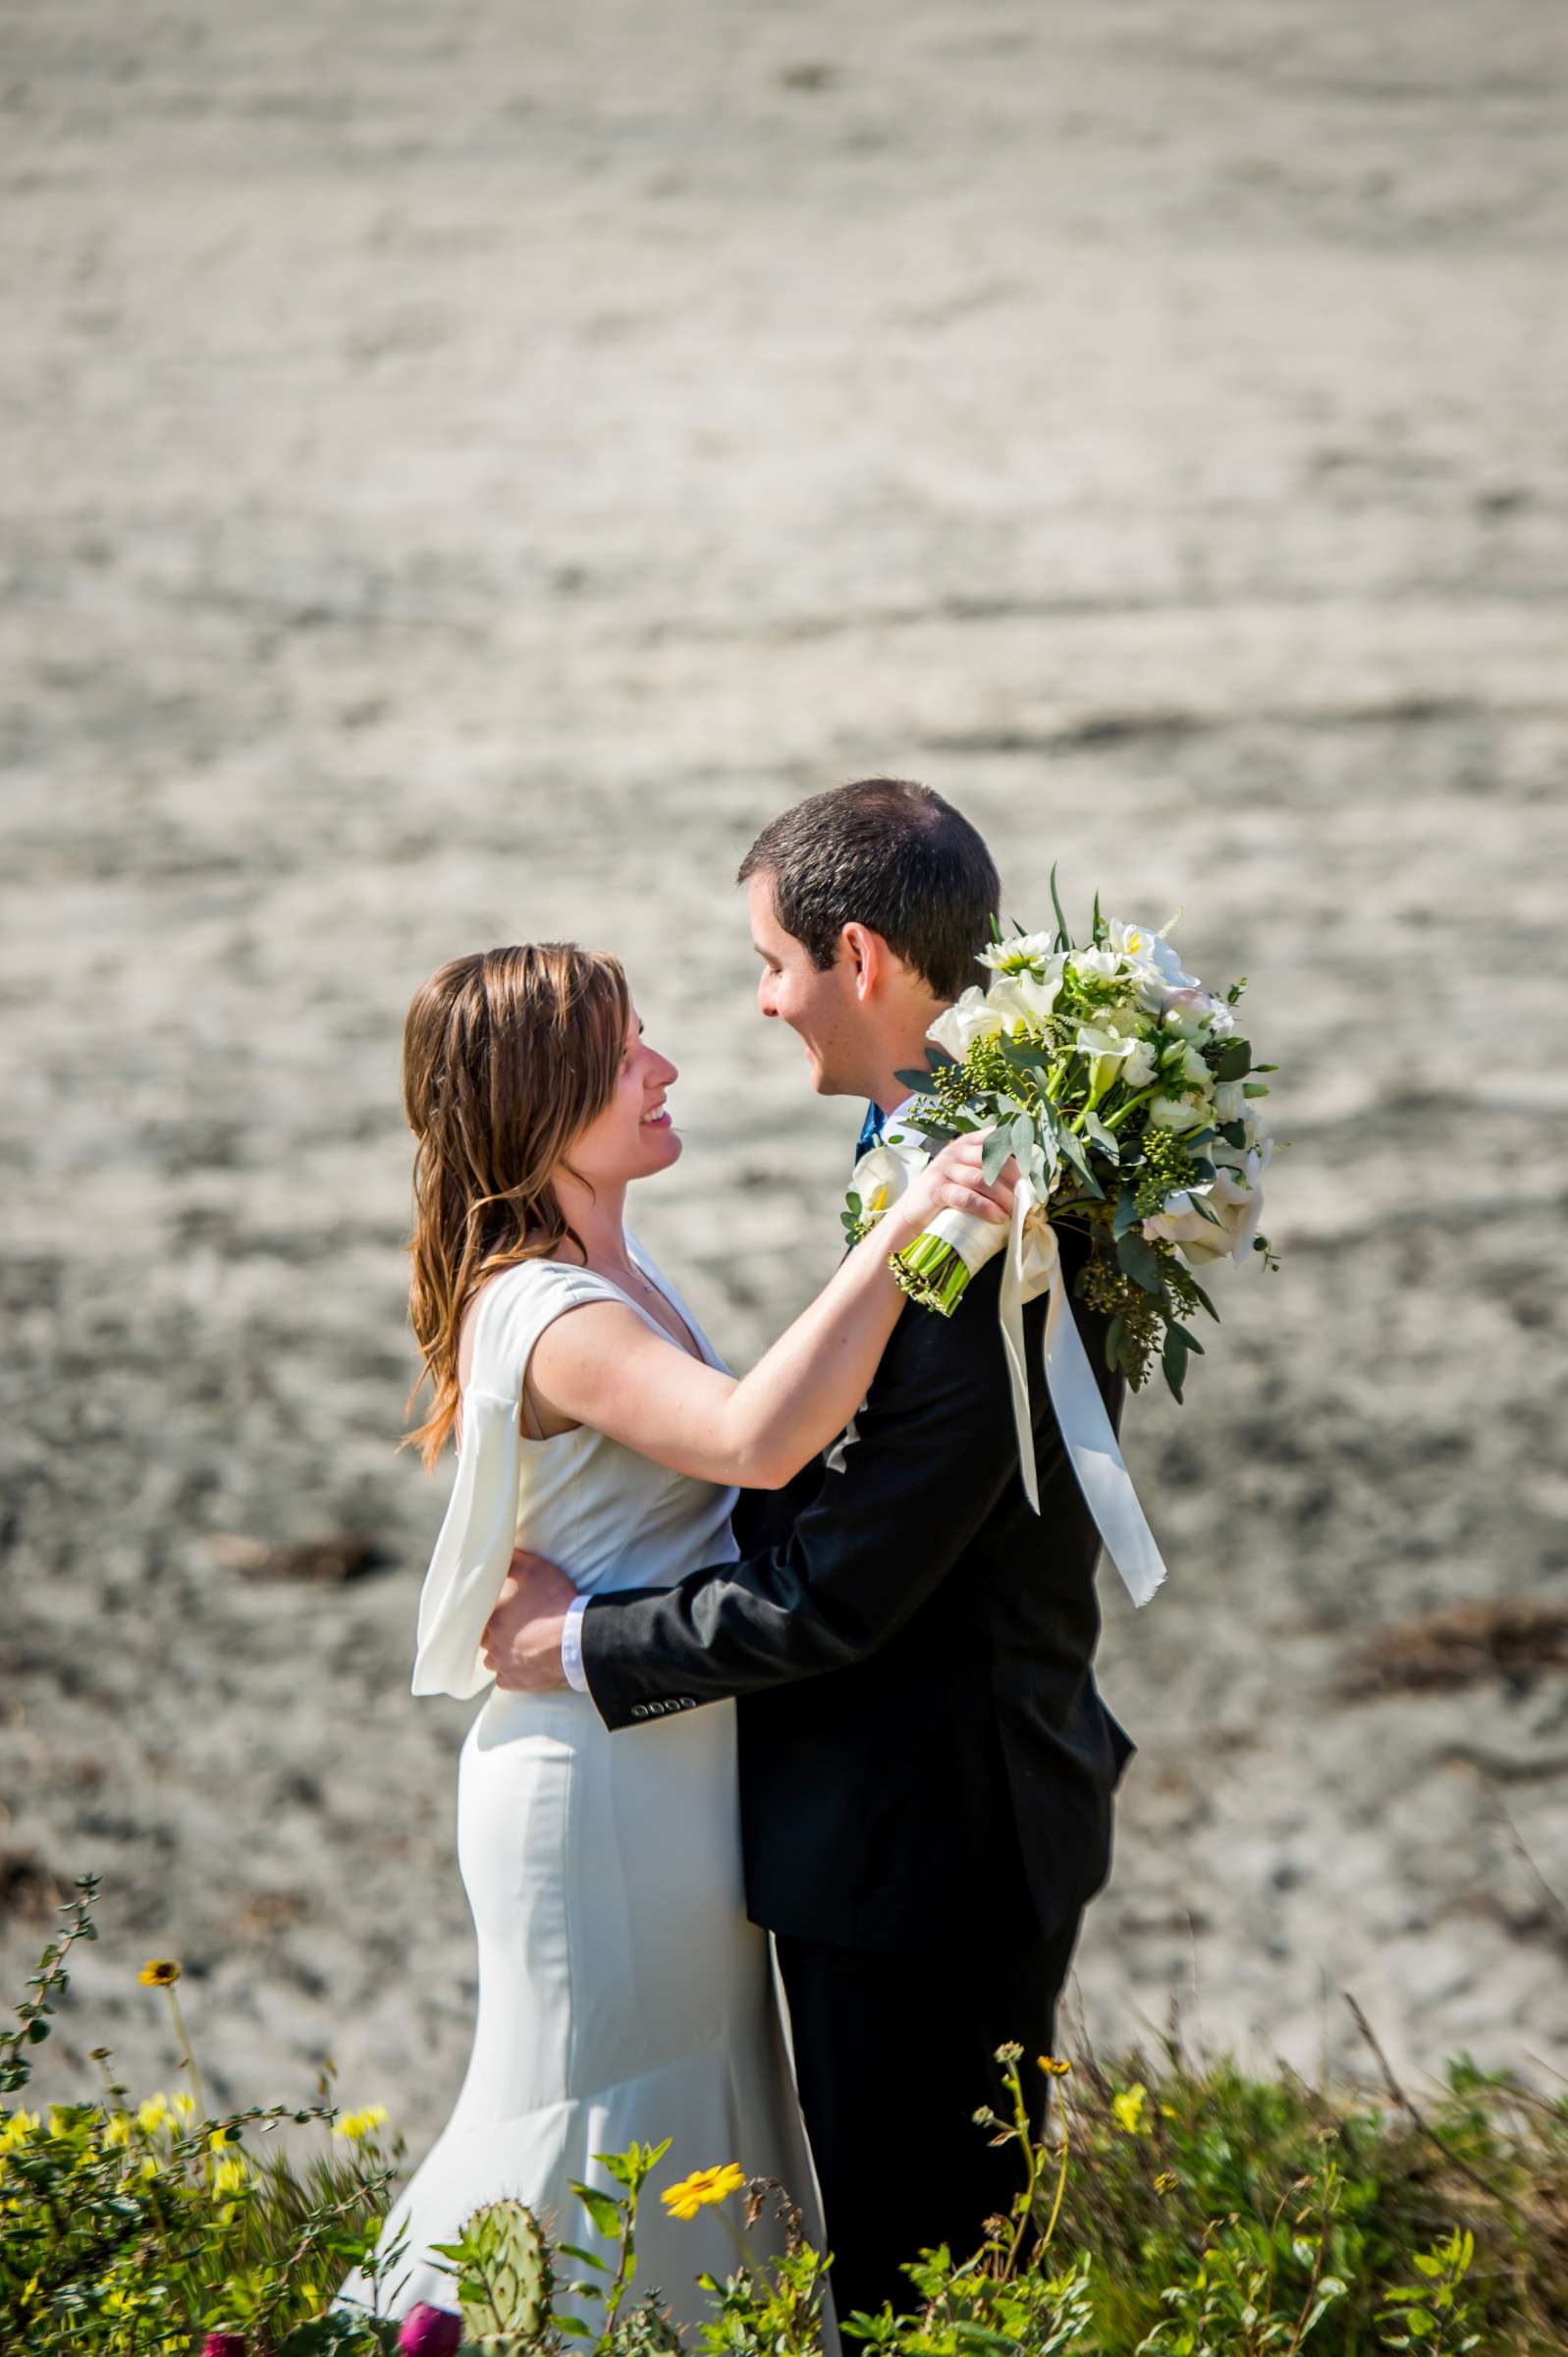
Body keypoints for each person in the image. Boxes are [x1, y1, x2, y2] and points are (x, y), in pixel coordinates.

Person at [481, 779, 1135, 2328]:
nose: (758, 1001)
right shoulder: (945, 1150)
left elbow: (841, 1579)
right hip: (915, 1808)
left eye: (771, 962)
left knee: (922, 2288)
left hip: (924, 1832)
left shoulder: (990, 1208)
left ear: (854, 955)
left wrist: (577, 1643)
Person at [332, 932, 1014, 2328]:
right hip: (594, 1791)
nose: (665, 1068)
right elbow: (752, 1442)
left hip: (663, 1765)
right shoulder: (547, 1306)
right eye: (620, 1057)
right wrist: (910, 1219)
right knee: (592, 2131)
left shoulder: (617, 1266)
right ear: (537, 1103)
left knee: (687, 2129)